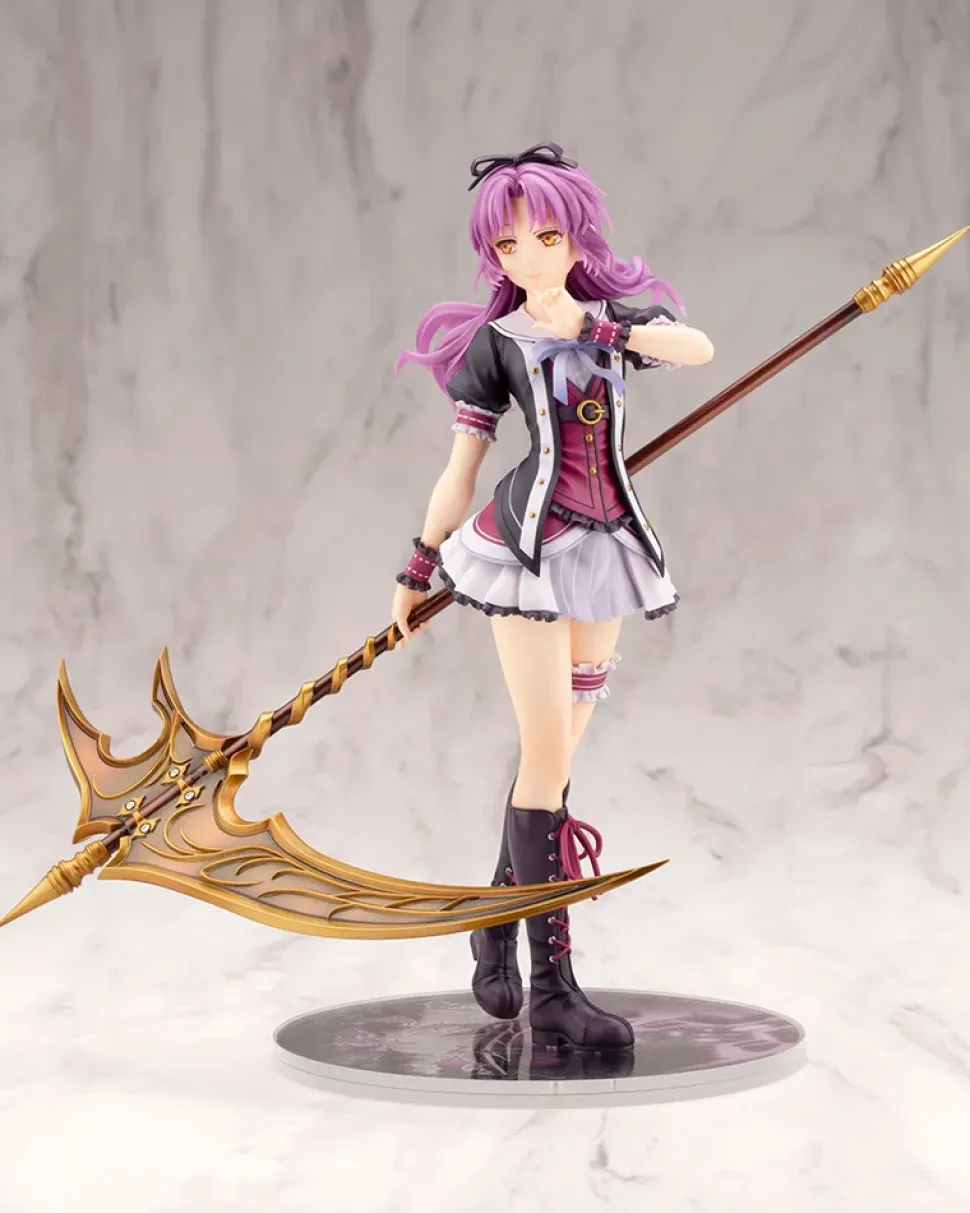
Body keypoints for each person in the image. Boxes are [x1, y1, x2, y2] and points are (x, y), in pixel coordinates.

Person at [393, 143, 714, 1051]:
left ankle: (495, 920)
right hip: (524, 554)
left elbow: (697, 348)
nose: (529, 256)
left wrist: (604, 334)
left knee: (561, 751)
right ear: (493, 256)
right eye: (508, 245)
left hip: (606, 550)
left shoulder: (613, 323)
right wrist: (418, 564)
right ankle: (555, 989)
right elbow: (462, 467)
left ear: (575, 236)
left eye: (545, 236)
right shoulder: (497, 344)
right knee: (546, 758)